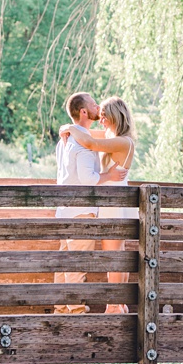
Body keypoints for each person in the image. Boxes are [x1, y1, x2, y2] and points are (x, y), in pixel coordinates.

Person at [61, 96, 137, 314]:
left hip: (114, 200)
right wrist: (68, 127)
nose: (101, 120)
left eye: (104, 116)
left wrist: (69, 128)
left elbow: (90, 143)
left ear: (114, 116)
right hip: (115, 198)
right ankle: (119, 303)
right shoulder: (113, 136)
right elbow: (85, 134)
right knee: (117, 253)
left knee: (113, 254)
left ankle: (113, 305)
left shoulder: (122, 141)